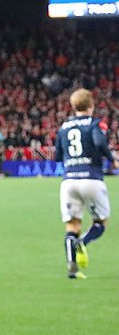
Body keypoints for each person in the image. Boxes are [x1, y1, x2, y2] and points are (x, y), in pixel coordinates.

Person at [56, 89, 113, 280]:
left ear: (73, 106)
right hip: (91, 178)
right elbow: (99, 142)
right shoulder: (94, 124)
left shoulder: (64, 127)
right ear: (91, 105)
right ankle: (83, 242)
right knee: (101, 222)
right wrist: (110, 158)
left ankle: (72, 269)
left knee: (72, 225)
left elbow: (57, 155)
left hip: (69, 180)